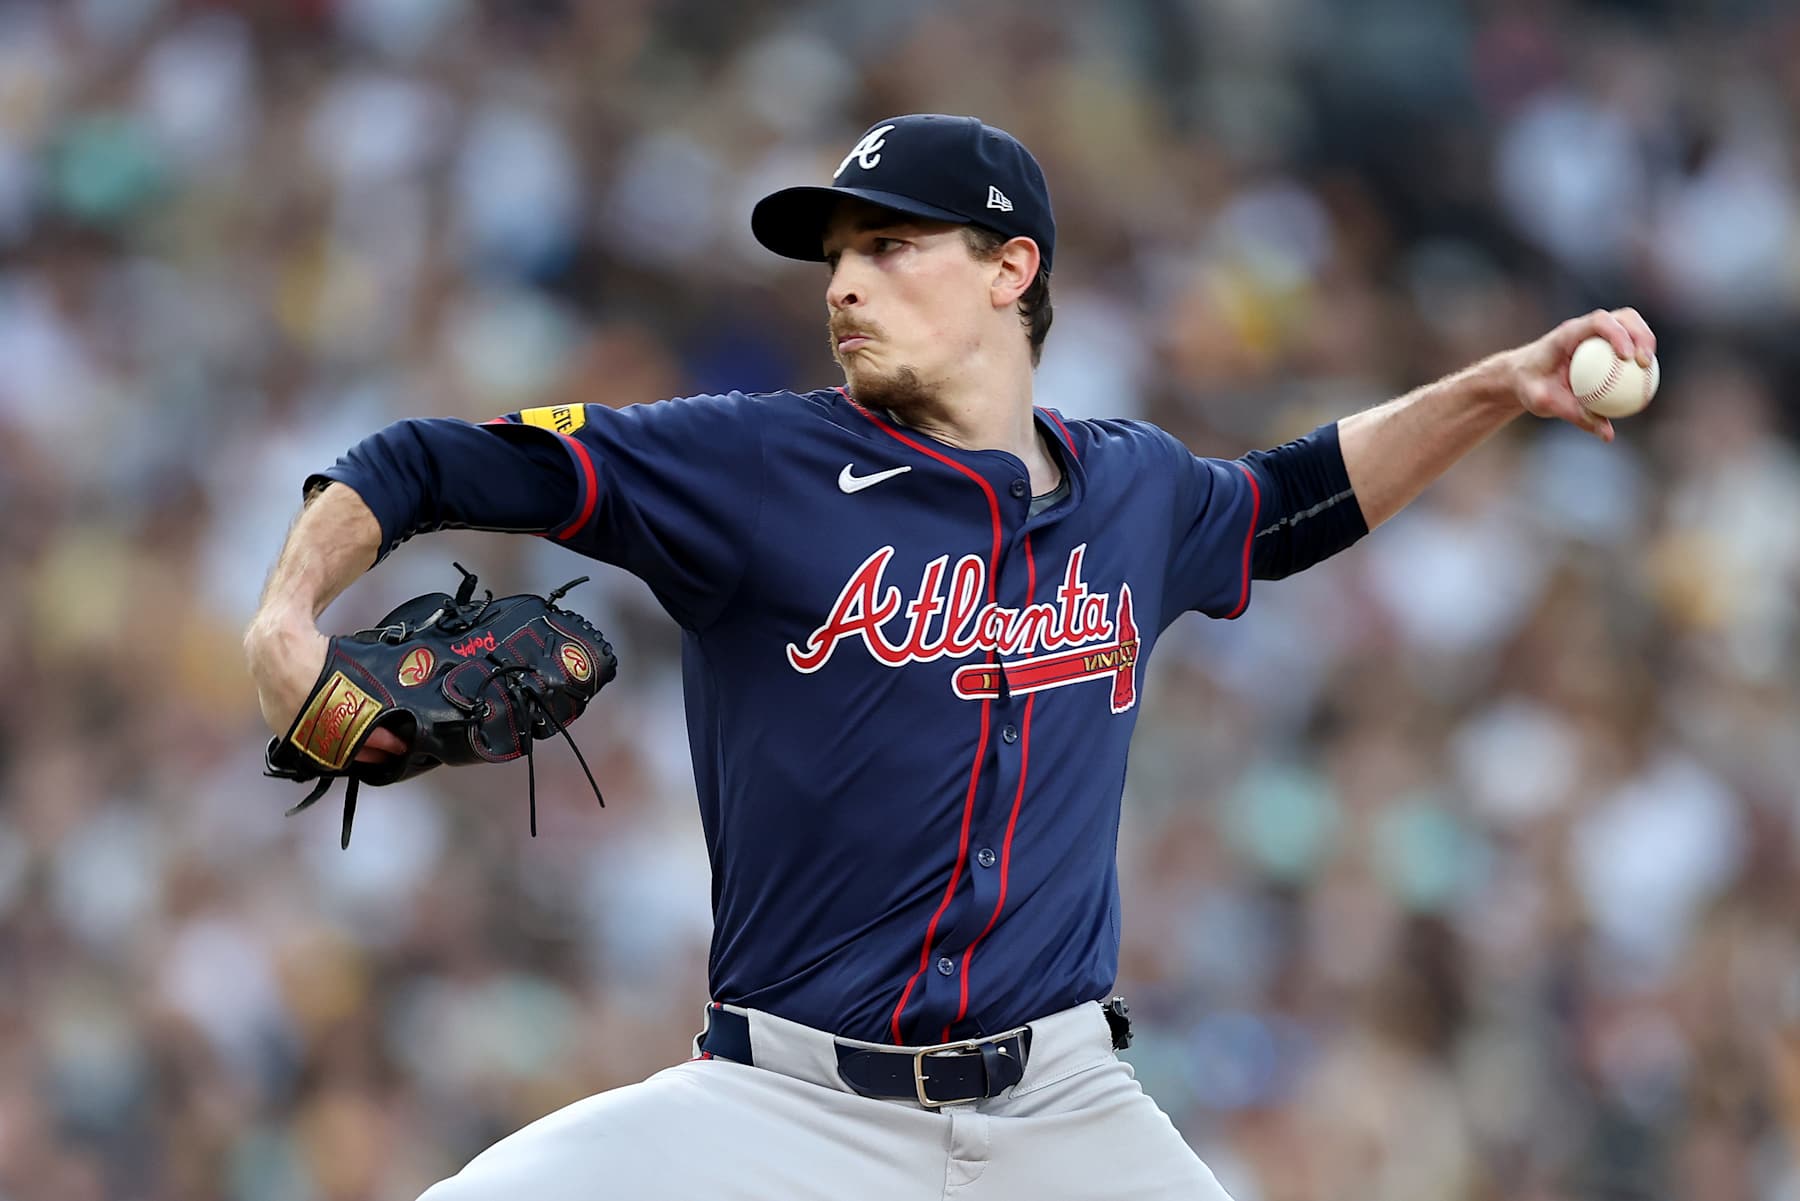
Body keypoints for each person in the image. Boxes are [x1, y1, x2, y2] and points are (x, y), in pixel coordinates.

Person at [243, 114, 1656, 1200]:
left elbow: (1286, 502)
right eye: (836, 255)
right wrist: (288, 615)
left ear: (1010, 269)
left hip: (1066, 1113)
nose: (844, 283)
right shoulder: (754, 462)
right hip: (781, 1110)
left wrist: (1492, 385)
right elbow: (431, 460)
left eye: (889, 247)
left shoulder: (1133, 490)